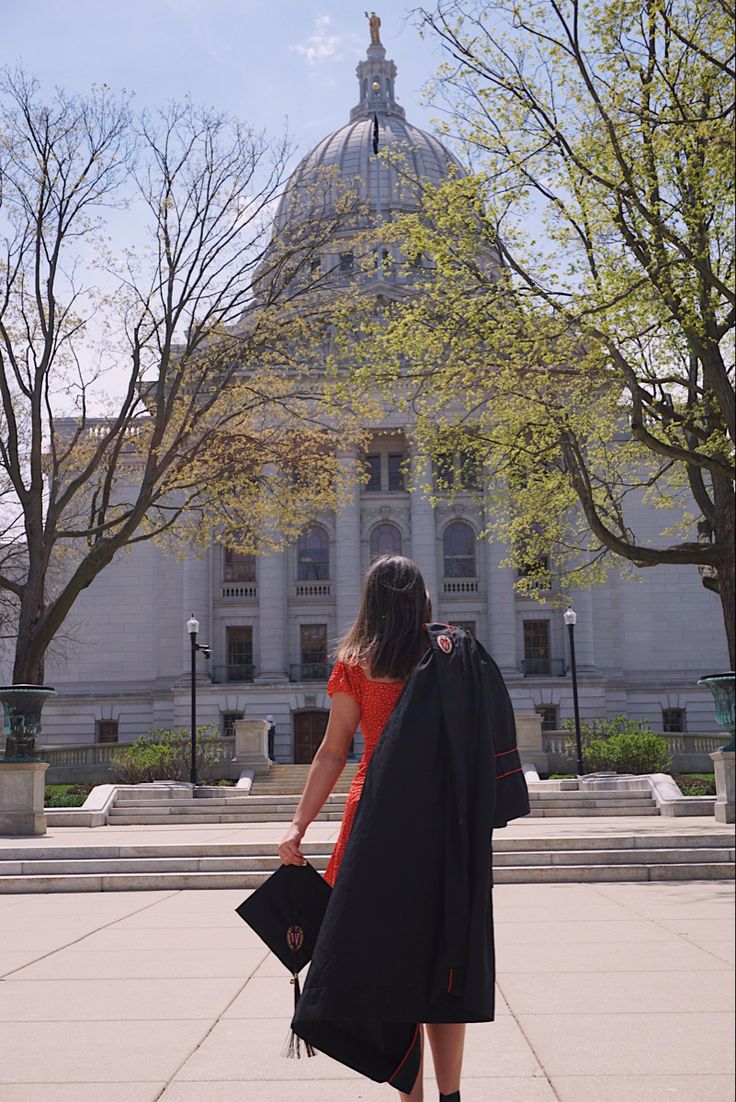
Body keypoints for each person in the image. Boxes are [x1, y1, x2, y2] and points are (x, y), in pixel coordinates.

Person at [278, 553, 530, 1102]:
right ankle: (450, 1096)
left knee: (386, 962)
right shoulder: (447, 654)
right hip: (440, 824)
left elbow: (332, 751)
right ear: (421, 599)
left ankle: (408, 1097)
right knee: (446, 961)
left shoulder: (355, 661)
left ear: (369, 599)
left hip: (375, 828)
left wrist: (299, 826)